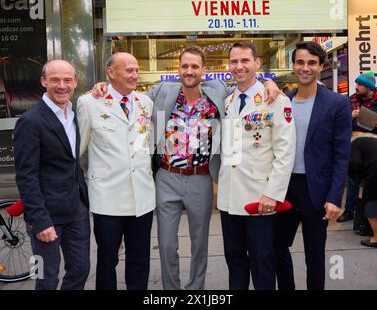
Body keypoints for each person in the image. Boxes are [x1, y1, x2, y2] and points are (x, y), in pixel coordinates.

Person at [90, 45, 281, 290]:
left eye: (194, 66)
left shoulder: (219, 92)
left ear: (203, 70)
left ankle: (195, 290)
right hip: (167, 177)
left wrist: (267, 82)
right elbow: (125, 89)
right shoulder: (161, 92)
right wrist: (102, 86)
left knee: (200, 244)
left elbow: (246, 82)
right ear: (178, 68)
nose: (189, 71)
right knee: (167, 244)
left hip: (201, 179)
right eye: (184, 66)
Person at [217, 41, 296, 290]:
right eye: (234, 61)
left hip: (259, 198)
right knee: (235, 259)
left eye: (245, 61)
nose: (239, 66)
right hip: (229, 198)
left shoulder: (276, 100)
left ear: (257, 63)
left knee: (263, 260)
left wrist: (272, 193)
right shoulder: (228, 99)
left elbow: (285, 152)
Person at [274, 41, 352, 290]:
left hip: (316, 190)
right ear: (293, 66)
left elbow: (342, 154)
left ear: (321, 66)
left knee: (315, 255)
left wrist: (335, 196)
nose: (305, 67)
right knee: (277, 247)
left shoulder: (336, 103)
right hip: (285, 188)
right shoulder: (282, 101)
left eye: (311, 63)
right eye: (300, 62)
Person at [76, 52, 155, 290]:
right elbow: (79, 151)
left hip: (142, 196)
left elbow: (147, 144)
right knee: (107, 259)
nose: (135, 74)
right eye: (128, 70)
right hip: (107, 197)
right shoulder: (89, 102)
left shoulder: (145, 102)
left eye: (136, 69)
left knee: (140, 259)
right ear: (111, 72)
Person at [13, 59, 90, 290]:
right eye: (55, 79)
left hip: (76, 212)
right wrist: (39, 221)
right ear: (43, 81)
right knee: (45, 278)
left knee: (81, 270)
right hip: (46, 217)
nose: (62, 85)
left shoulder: (74, 115)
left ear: (75, 82)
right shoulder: (30, 121)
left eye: (67, 80)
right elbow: (26, 176)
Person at [337, 72, 377, 223]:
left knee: (371, 181)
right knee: (353, 177)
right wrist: (351, 116)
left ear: (369, 87)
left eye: (360, 84)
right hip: (355, 143)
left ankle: (369, 214)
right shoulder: (351, 100)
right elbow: (341, 122)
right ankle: (350, 210)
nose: (356, 87)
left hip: (373, 145)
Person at [348, 133, 377, 248]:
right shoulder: (370, 141)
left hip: (374, 173)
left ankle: (376, 238)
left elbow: (355, 164)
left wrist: (355, 177)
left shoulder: (354, 144)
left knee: (370, 205)